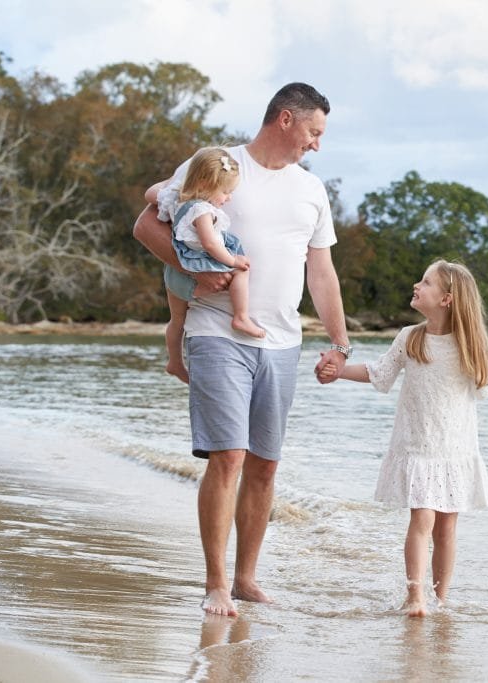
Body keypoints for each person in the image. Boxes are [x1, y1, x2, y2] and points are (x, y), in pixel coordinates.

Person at [133, 83, 351, 617]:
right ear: (285, 119)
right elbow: (146, 223)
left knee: (264, 466)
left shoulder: (311, 190)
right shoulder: (218, 164)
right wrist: (192, 270)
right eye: (313, 132)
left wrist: (341, 343)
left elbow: (321, 273)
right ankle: (216, 584)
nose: (317, 145)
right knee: (227, 456)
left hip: (282, 342)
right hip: (216, 333)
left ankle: (247, 578)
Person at [321, 260, 488, 617]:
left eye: (426, 282)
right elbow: (378, 373)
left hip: (454, 450)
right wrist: (338, 373)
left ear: (447, 299)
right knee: (422, 520)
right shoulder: (410, 338)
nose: (417, 285)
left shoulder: (468, 345)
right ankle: (416, 595)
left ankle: (440, 599)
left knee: (447, 527)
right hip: (417, 447)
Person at [146, 147, 265, 383]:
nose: (228, 198)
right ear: (204, 183)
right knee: (242, 271)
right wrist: (233, 261)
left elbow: (150, 193)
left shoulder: (175, 200)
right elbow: (211, 244)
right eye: (225, 191)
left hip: (174, 271)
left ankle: (174, 362)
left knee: (177, 320)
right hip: (198, 266)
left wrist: (168, 187)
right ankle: (241, 316)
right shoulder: (202, 210)